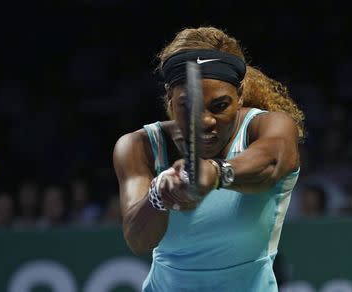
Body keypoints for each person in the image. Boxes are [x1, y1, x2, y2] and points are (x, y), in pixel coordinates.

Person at [113, 26, 305, 291]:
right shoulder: (139, 146)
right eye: (188, 105)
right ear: (170, 96)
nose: (204, 121)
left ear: (239, 95)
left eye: (219, 106)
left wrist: (216, 173)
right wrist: (160, 195)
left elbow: (271, 164)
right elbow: (138, 240)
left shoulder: (268, 127)